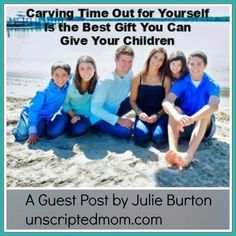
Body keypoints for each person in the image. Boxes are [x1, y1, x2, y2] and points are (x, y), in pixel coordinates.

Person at [162, 51, 220, 169]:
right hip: (184, 126)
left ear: (205, 65)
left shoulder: (212, 84)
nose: (195, 67)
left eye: (199, 64)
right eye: (192, 64)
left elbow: (214, 106)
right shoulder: (183, 82)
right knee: (176, 109)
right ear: (188, 65)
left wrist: (192, 118)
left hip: (205, 129)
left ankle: (189, 155)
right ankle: (173, 151)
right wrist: (177, 117)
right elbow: (166, 102)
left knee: (205, 113)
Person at [13, 62, 71, 144]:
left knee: (39, 134)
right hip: (30, 114)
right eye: (56, 75)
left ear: (68, 76)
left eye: (64, 75)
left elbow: (77, 77)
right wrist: (32, 132)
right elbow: (33, 110)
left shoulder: (68, 87)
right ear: (51, 75)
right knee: (21, 137)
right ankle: (18, 128)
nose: (60, 78)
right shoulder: (43, 92)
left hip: (45, 118)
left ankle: (41, 125)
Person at [130, 47, 172, 147]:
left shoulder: (166, 80)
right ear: (150, 58)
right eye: (155, 57)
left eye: (161, 60)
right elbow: (132, 101)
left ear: (163, 63)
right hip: (142, 115)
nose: (157, 61)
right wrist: (139, 113)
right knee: (140, 138)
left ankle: (154, 132)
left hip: (160, 115)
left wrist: (158, 115)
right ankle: (147, 131)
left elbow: (168, 104)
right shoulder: (137, 78)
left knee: (159, 138)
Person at [90, 45, 134, 138]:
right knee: (126, 132)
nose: (127, 65)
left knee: (138, 97)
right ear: (116, 60)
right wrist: (119, 120)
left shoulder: (129, 75)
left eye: (130, 61)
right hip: (98, 118)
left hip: (115, 111)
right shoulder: (106, 81)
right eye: (123, 61)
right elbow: (95, 109)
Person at [55, 55, 98, 136]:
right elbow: (65, 103)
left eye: (89, 68)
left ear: (94, 69)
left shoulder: (98, 84)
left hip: (86, 115)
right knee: (53, 132)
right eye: (82, 69)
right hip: (71, 113)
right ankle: (66, 122)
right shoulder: (71, 86)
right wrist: (73, 116)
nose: (86, 72)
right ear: (77, 70)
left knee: (77, 130)